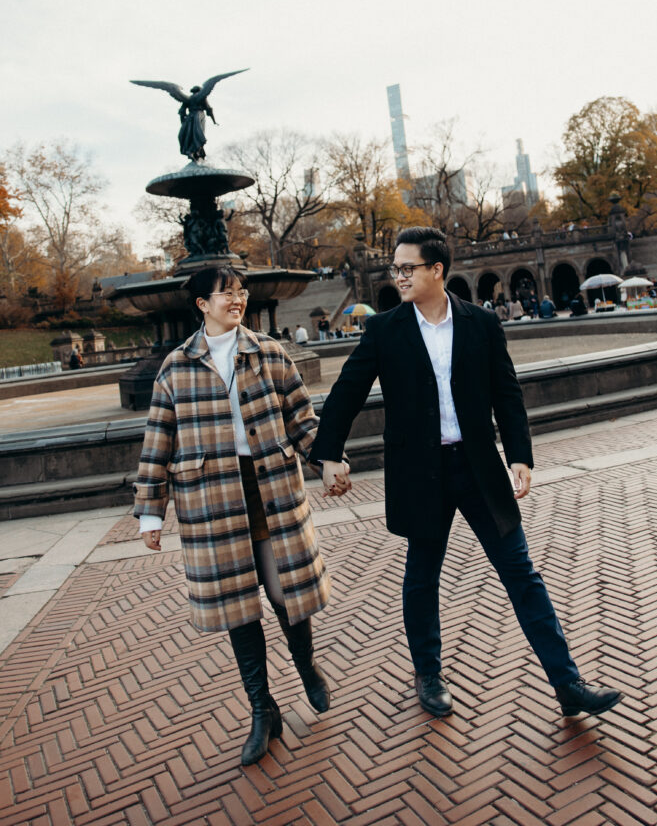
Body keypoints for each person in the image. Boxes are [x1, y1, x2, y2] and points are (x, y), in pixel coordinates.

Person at [310, 226, 621, 721]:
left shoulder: (481, 323)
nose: (399, 276)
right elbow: (346, 392)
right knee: (422, 576)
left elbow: (507, 391)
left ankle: (568, 684)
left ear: (437, 270)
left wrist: (520, 454)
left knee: (521, 573)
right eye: (396, 269)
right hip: (421, 471)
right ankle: (429, 675)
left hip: (478, 467)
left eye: (407, 268)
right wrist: (329, 454)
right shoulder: (386, 329)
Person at [133, 266, 344, 766]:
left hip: (269, 487)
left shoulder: (269, 352)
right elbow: (158, 440)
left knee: (283, 592)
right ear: (202, 304)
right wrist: (150, 513)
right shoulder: (177, 366)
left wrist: (327, 459)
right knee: (237, 606)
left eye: (241, 292)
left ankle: (307, 667)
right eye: (227, 294)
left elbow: (302, 419)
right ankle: (261, 709)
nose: (238, 300)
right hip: (210, 499)